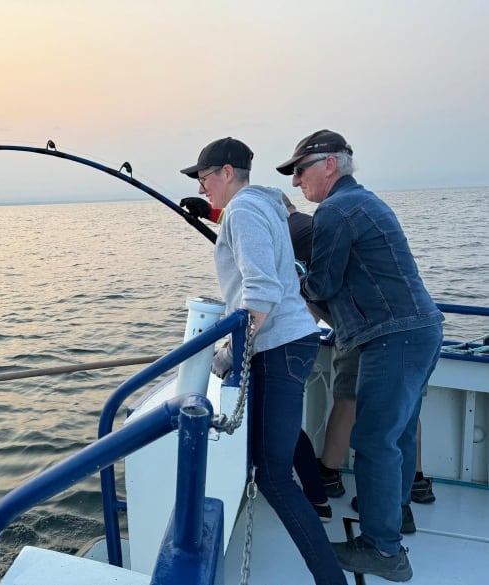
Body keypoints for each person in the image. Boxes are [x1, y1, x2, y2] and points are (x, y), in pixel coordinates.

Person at [277, 129, 443, 582]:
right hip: (419, 329)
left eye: (300, 169)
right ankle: (399, 515)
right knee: (399, 435)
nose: (296, 181)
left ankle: (384, 550)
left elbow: (323, 285)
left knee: (373, 442)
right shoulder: (361, 202)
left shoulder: (336, 210)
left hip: (393, 336)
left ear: (330, 164)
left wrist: (291, 283)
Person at [181, 136, 347, 585]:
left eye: (204, 177)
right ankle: (320, 508)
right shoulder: (261, 206)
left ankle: (331, 577)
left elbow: (261, 289)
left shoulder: (245, 210)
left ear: (227, 172)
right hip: (287, 344)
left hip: (278, 348)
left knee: (272, 477)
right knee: (270, 456)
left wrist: (230, 349)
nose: (201, 187)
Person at [180, 194, 333, 522]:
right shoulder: (285, 222)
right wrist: (208, 212)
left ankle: (310, 498)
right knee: (285, 427)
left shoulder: (282, 226)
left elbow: (265, 285)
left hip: (289, 334)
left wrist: (232, 350)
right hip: (301, 330)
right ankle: (316, 493)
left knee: (283, 439)